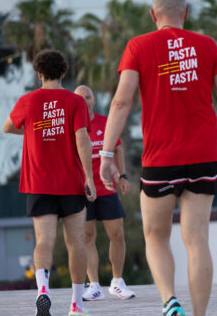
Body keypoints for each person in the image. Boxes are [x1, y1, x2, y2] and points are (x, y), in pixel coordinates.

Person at [98, 0, 217, 316]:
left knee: (155, 235)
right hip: (204, 156)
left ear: (152, 14)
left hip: (160, 159)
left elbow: (121, 102)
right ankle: (199, 314)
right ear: (185, 13)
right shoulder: (207, 46)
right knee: (197, 240)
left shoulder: (138, 46)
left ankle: (170, 301)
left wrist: (105, 154)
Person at [3, 50, 96, 316]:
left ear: (39, 74)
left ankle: (43, 290)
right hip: (71, 182)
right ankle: (76, 304)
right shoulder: (75, 101)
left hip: (38, 182)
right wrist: (89, 176)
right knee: (76, 242)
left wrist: (33, 127)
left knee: (44, 240)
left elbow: (8, 127)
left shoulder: (28, 101)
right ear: (63, 73)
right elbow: (82, 139)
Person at [74, 85, 135, 301]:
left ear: (93, 100)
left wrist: (123, 177)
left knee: (117, 233)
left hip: (107, 188)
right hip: (81, 191)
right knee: (87, 236)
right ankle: (94, 285)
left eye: (88, 97)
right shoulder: (71, 127)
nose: (84, 101)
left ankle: (117, 282)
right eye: (79, 98)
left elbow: (117, 149)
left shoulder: (105, 122)